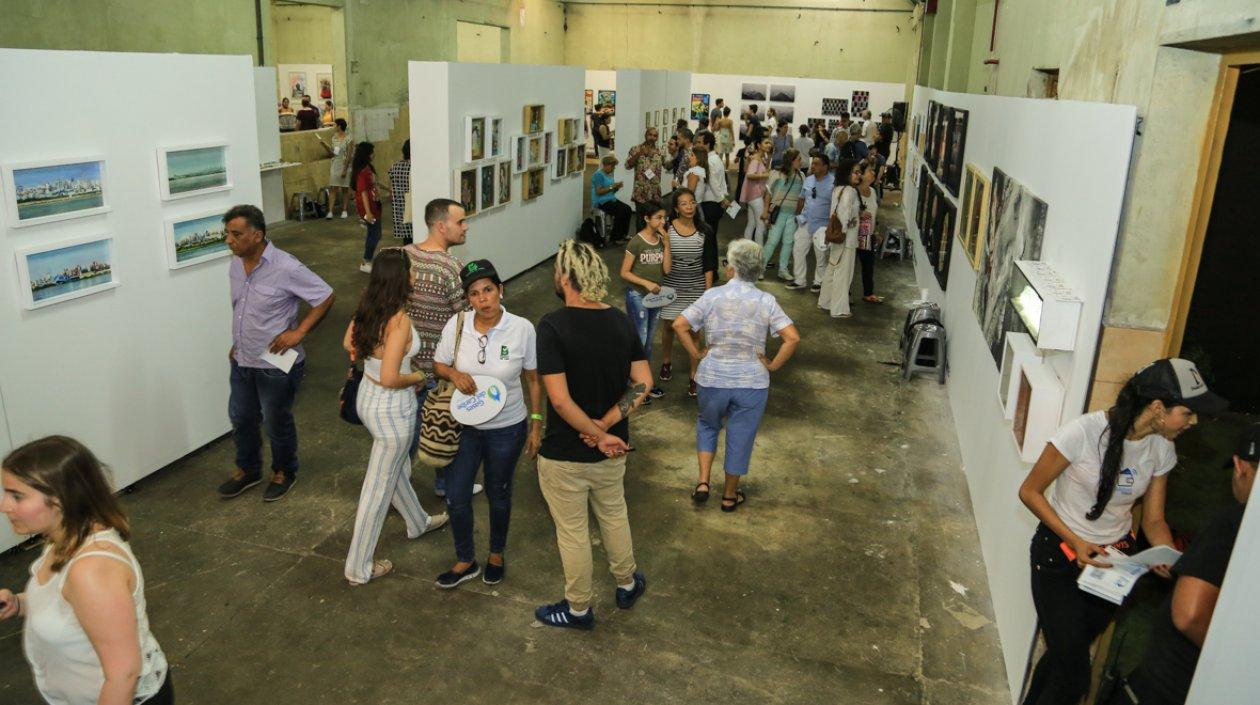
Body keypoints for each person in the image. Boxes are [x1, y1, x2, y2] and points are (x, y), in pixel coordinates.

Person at [1016, 358, 1228, 705]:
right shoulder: (1082, 432)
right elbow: (1030, 491)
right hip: (1059, 556)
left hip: (1111, 567)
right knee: (1074, 675)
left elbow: (1154, 520)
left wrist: (1165, 553)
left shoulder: (1162, 448)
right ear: (1158, 408)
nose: (1194, 422)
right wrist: (1076, 541)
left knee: (1061, 660)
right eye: (1188, 413)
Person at [0, 436, 174, 705]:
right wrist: (19, 604)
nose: (4, 506)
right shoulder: (64, 537)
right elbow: (68, 605)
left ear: (59, 499)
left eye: (17, 496)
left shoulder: (91, 571)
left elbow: (123, 675)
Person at [533, 240, 651, 630]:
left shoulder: (552, 326)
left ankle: (579, 609)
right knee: (614, 515)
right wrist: (606, 427)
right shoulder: (620, 321)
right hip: (612, 451)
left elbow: (561, 402)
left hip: (566, 453)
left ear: (566, 277)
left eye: (556, 272)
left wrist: (595, 433)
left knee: (573, 533)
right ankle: (627, 582)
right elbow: (643, 383)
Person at [1110, 424, 1257, 705]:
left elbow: (1189, 614)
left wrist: (1230, 662)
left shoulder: (1231, 523)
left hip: (1169, 686)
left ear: (1240, 467)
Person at [431, 260, 542, 589]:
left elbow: (534, 380)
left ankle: (496, 553)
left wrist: (536, 423)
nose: (483, 299)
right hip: (464, 426)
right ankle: (465, 559)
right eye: (475, 294)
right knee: (456, 494)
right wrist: (454, 373)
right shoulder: (458, 324)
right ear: (468, 299)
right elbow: (438, 363)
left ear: (501, 290)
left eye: (488, 290)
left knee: (499, 491)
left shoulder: (522, 329)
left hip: (507, 428)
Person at [341, 249, 448, 586]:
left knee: (392, 469)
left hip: (367, 400)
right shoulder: (399, 321)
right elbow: (391, 377)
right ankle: (358, 567)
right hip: (391, 409)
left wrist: (382, 357)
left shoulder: (368, 306)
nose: (415, 274)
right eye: (412, 270)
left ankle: (417, 521)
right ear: (401, 278)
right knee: (377, 489)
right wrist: (417, 376)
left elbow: (349, 343)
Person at [218, 205, 334, 502]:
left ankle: (284, 471)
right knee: (241, 418)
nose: (229, 240)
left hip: (274, 363)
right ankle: (248, 469)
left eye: (236, 234)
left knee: (275, 421)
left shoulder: (286, 267)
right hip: (243, 357)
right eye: (227, 234)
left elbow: (324, 296)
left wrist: (299, 333)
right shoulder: (235, 264)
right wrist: (240, 340)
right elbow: (242, 309)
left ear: (257, 236)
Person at [673, 240, 800, 511]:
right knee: (741, 434)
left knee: (708, 425)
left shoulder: (712, 296)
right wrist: (773, 365)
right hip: (752, 381)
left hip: (712, 377)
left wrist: (696, 354)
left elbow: (679, 324)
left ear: (731, 268)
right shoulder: (766, 300)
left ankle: (703, 482)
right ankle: (730, 495)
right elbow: (792, 338)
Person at [403, 199, 480, 499]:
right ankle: (445, 485)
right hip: (438, 368)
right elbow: (467, 319)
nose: (466, 227)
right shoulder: (452, 269)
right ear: (440, 225)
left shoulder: (403, 255)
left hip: (406, 368)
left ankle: (402, 487)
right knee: (443, 428)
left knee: (411, 433)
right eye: (460, 222)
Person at [658, 188, 717, 399]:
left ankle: (694, 376)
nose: (690, 206)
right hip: (672, 285)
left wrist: (708, 293)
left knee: (693, 331)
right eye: (684, 203)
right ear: (675, 208)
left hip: (696, 287)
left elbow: (709, 263)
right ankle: (666, 361)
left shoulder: (705, 230)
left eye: (692, 202)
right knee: (668, 326)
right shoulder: (666, 229)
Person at [621, 198, 672, 403]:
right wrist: (646, 282)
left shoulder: (661, 241)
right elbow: (624, 272)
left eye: (664, 217)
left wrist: (667, 243)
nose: (663, 221)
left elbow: (667, 269)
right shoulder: (636, 242)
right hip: (638, 296)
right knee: (639, 342)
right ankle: (632, 385)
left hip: (655, 298)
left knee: (649, 343)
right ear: (646, 218)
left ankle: (645, 384)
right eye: (658, 217)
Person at [816, 159, 862, 319]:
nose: (859, 175)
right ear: (847, 173)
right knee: (843, 273)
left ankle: (825, 302)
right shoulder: (850, 191)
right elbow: (843, 213)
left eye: (859, 172)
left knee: (832, 269)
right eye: (856, 172)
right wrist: (842, 233)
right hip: (845, 239)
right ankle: (839, 309)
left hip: (839, 237)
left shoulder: (838, 189)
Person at [786, 154, 835, 292]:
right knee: (798, 250)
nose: (813, 166)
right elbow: (801, 199)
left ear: (825, 167)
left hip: (823, 225)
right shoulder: (808, 180)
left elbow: (835, 206)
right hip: (805, 221)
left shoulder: (833, 183)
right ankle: (799, 280)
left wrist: (831, 226)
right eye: (813, 163)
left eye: (817, 164)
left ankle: (819, 282)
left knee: (821, 255)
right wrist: (797, 215)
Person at [761, 149, 803, 278]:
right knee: (772, 241)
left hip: (792, 215)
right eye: (799, 159)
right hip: (777, 213)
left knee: (788, 242)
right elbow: (768, 193)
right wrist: (765, 211)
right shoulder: (777, 174)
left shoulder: (801, 176)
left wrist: (798, 215)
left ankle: (783, 269)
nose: (801, 162)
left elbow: (802, 197)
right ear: (791, 160)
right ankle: (759, 268)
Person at [853, 161, 884, 304]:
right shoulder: (853, 192)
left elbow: (875, 213)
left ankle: (868, 293)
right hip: (854, 234)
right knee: (849, 266)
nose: (873, 173)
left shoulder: (873, 192)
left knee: (868, 265)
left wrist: (875, 231)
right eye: (870, 171)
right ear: (862, 175)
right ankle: (844, 294)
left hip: (867, 235)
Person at [352, 141, 385, 274]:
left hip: (373, 205)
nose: (374, 154)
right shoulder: (362, 172)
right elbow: (363, 192)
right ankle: (366, 260)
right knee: (375, 234)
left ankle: (367, 260)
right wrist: (368, 212)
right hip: (368, 207)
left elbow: (373, 184)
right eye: (372, 151)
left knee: (375, 233)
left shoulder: (368, 168)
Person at [625, 127, 663, 229]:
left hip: (655, 192)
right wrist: (638, 154)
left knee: (654, 222)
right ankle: (640, 243)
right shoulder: (635, 149)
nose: (652, 137)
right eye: (650, 135)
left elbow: (667, 166)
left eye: (655, 136)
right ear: (645, 135)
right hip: (640, 192)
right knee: (641, 222)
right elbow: (627, 166)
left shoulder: (661, 151)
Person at [316, 118, 354, 220]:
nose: (333, 127)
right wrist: (324, 145)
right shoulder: (334, 138)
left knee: (345, 189)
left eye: (334, 125)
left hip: (345, 164)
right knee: (333, 188)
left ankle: (345, 210)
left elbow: (349, 155)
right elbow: (333, 153)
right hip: (335, 164)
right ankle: (330, 211)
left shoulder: (349, 139)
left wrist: (345, 169)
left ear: (339, 126)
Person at [591, 154, 632, 243]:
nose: (613, 168)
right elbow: (599, 192)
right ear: (606, 165)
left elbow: (611, 191)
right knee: (620, 211)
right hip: (601, 201)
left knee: (628, 209)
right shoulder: (598, 175)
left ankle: (624, 233)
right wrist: (612, 187)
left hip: (610, 199)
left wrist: (616, 187)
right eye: (612, 166)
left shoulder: (609, 174)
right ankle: (615, 237)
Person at [696, 132, 731, 231]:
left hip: (710, 204)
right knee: (712, 234)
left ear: (707, 145)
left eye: (699, 142)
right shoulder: (716, 158)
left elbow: (713, 182)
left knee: (708, 236)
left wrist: (722, 199)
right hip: (716, 203)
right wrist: (723, 197)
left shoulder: (709, 161)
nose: (696, 145)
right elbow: (722, 181)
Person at [739, 137, 771, 245]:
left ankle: (747, 250)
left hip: (753, 195)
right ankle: (759, 253)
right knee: (760, 226)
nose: (769, 145)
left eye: (770, 143)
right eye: (766, 143)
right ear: (758, 145)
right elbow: (749, 175)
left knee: (751, 224)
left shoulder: (759, 158)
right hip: (755, 196)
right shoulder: (756, 159)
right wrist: (764, 174)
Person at [387, 139, 413, 244]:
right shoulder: (415, 167)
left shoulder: (395, 167)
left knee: (407, 239)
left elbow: (390, 187)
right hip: (412, 206)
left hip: (400, 207)